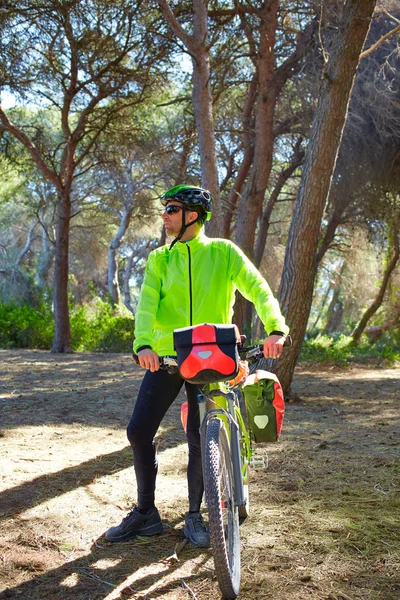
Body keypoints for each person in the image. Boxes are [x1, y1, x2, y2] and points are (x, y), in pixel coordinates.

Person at [105, 185, 289, 547]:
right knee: (139, 431)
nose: (165, 216)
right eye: (165, 209)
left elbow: (258, 288)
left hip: (215, 357)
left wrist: (275, 328)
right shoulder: (160, 259)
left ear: (193, 215)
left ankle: (197, 516)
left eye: (172, 209)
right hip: (169, 358)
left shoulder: (222, 252)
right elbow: (146, 306)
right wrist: (143, 343)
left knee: (199, 438)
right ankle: (145, 514)